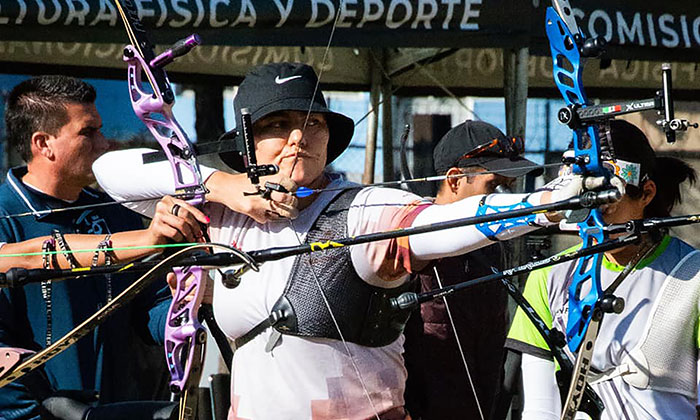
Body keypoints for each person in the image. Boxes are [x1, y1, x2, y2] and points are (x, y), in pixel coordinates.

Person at [93, 62, 592, 420]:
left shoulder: (364, 207)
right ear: (246, 143)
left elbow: (443, 224)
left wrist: (544, 204)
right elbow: (108, 170)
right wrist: (225, 187)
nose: (297, 137)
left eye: (312, 123)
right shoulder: (221, 213)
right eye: (277, 125)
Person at [0, 75, 207, 419]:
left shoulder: (115, 211)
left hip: (117, 407)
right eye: (88, 132)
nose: (104, 142)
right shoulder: (6, 213)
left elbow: (149, 304)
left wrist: (180, 309)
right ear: (43, 143)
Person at [505, 120, 698, 420]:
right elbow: (540, 408)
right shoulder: (548, 275)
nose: (594, 222)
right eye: (583, 206)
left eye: (607, 206)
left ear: (646, 193)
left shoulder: (693, 276)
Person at [402, 120, 542, 419]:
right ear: (454, 180)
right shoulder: (409, 240)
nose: (504, 199)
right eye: (493, 186)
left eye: (508, 187)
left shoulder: (491, 245)